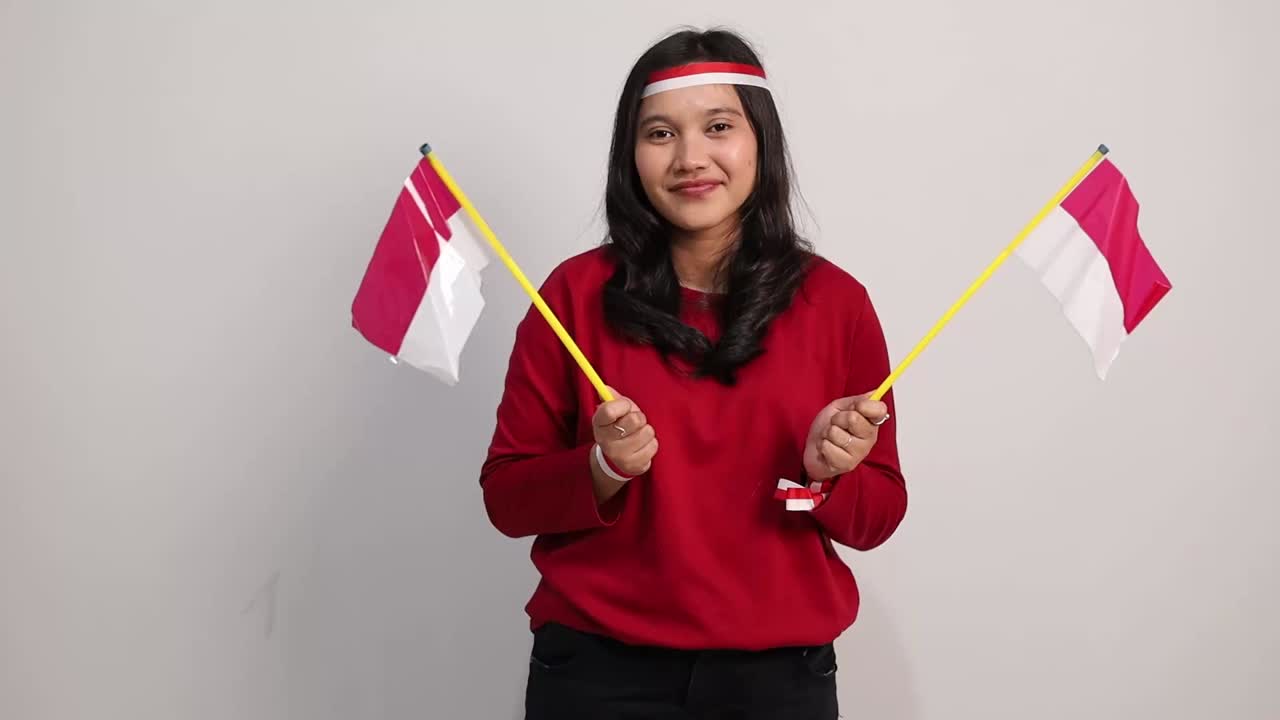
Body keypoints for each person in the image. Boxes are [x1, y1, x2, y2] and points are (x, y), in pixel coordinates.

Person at [479, 27, 907, 720]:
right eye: (659, 134)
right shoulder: (571, 297)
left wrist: (827, 475)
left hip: (779, 681)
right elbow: (507, 497)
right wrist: (601, 469)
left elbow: (878, 515)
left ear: (759, 141)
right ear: (631, 154)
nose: (690, 158)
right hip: (598, 673)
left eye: (718, 127)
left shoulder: (837, 305)